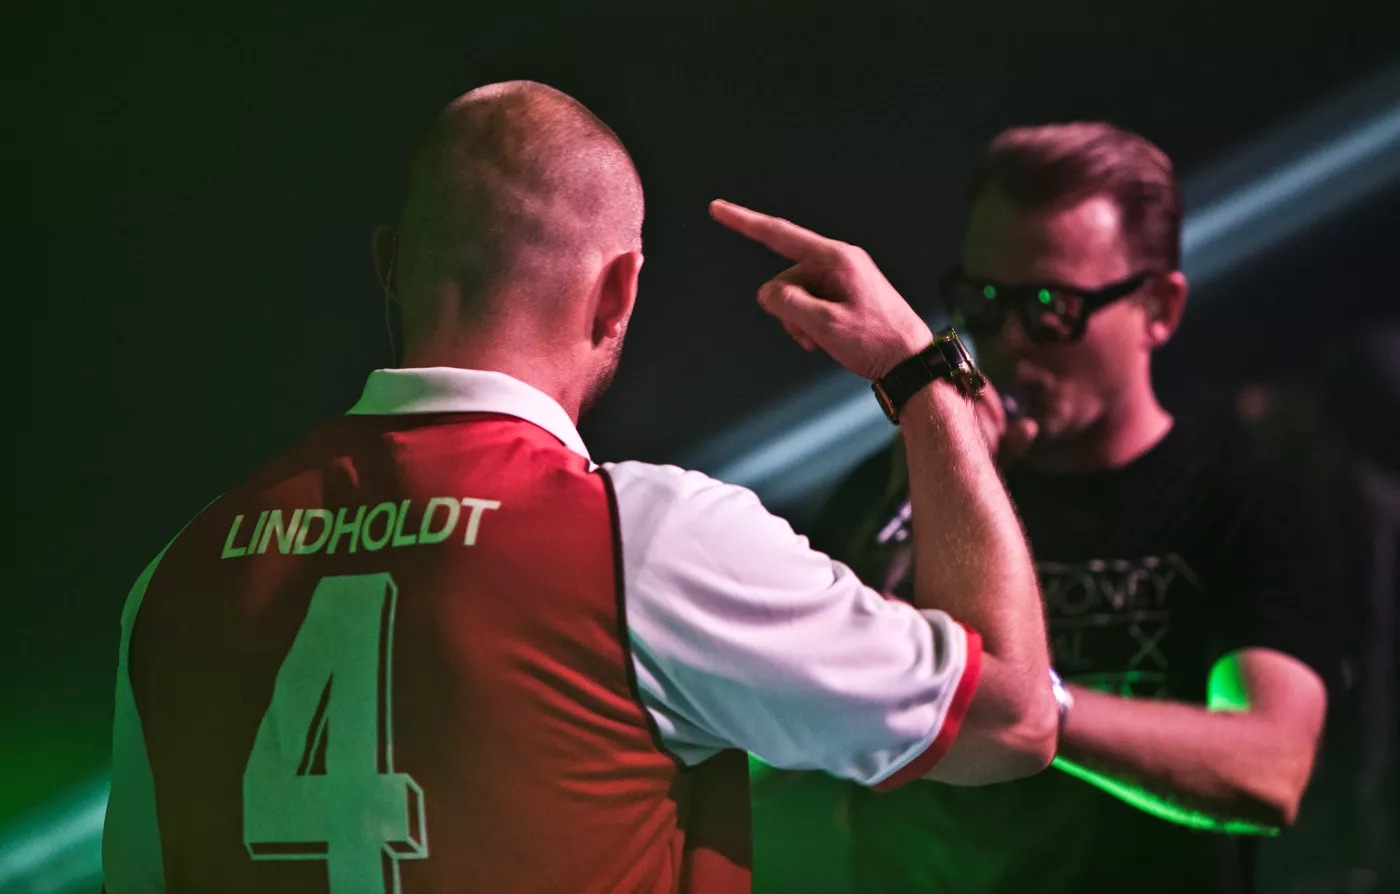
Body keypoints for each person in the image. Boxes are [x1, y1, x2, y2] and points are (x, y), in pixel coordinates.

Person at [99, 81, 1058, 894]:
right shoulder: (645, 544)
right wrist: (924, 375)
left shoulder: (178, 573)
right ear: (619, 291)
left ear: (389, 266)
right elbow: (1012, 719)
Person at [807, 122, 1339, 894]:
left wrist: (1026, 705)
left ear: (1159, 308)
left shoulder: (1249, 502)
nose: (1009, 342)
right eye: (985, 302)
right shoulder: (888, 487)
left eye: (1052, 306)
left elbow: (1268, 769)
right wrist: (928, 488)